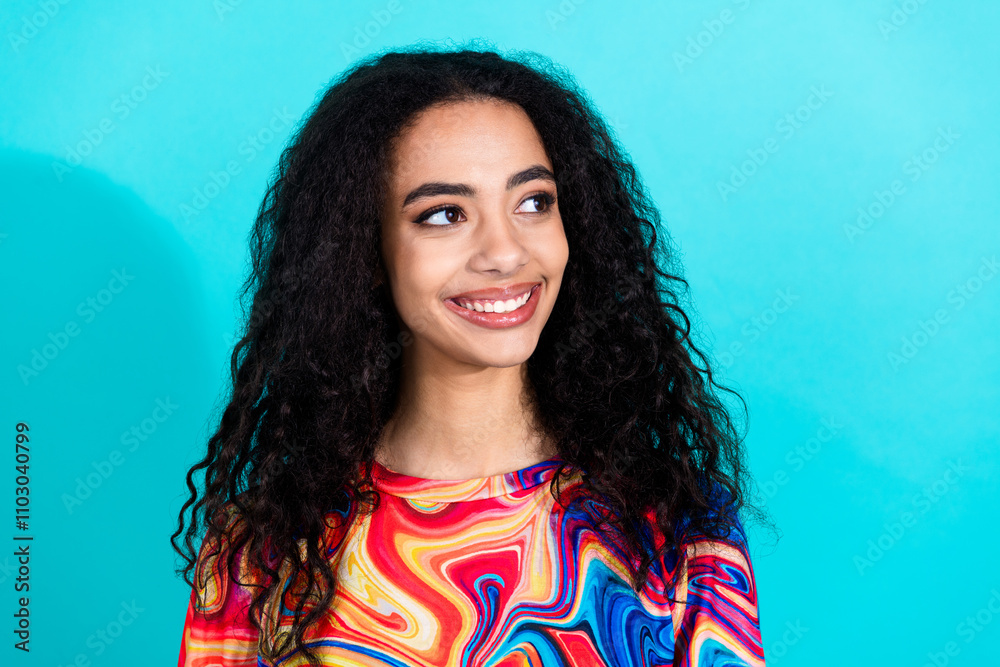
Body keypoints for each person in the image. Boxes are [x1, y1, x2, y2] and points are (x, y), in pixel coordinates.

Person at [173, 44, 772, 667]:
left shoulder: (677, 528)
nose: (505, 252)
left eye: (534, 202)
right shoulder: (260, 550)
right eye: (445, 214)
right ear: (365, 250)